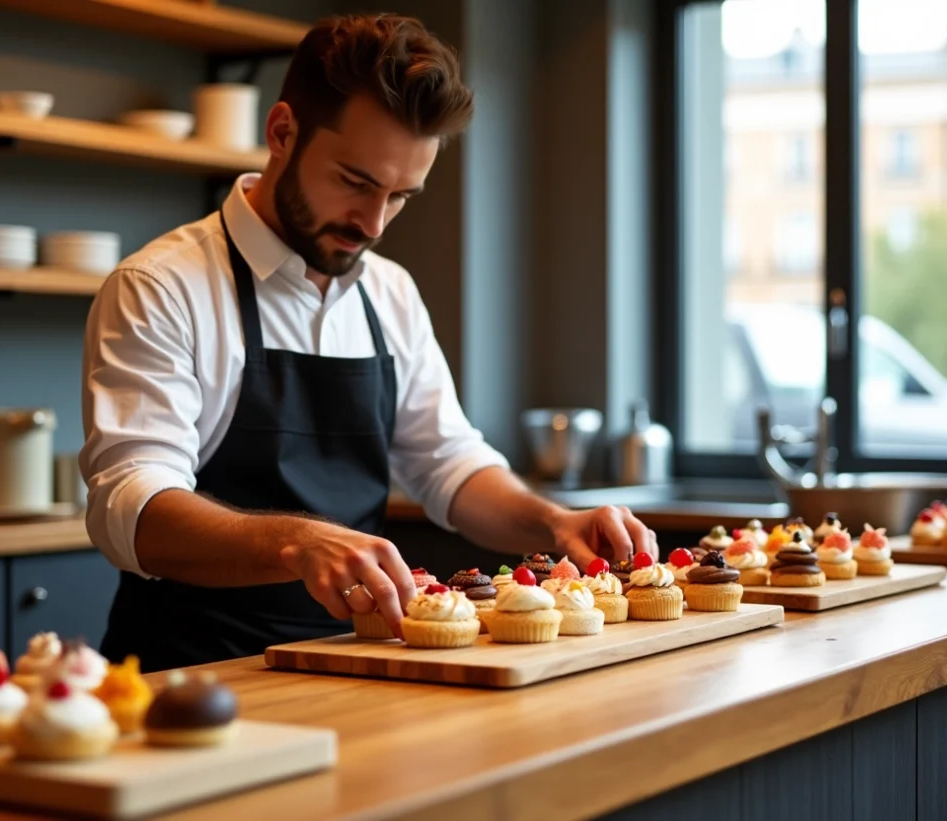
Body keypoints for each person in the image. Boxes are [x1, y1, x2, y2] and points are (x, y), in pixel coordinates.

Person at [81, 13, 657, 671]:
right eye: (356, 182)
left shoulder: (389, 292)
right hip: (193, 675)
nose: (374, 222)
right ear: (281, 132)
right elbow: (132, 508)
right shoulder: (161, 286)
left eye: (401, 195)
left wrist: (552, 522)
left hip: (357, 666)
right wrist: (297, 542)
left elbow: (449, 463)